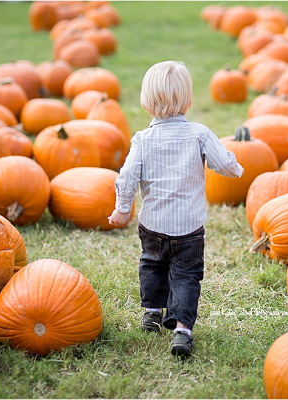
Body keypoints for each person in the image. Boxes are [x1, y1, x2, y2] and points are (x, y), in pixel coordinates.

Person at [108, 60, 244, 357]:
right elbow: (225, 164)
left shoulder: (142, 139)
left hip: (153, 226)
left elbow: (127, 176)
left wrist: (122, 208)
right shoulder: (200, 134)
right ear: (188, 100)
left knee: (152, 265)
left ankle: (152, 312)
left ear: (145, 102)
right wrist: (236, 168)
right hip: (189, 229)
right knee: (186, 275)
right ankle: (182, 331)